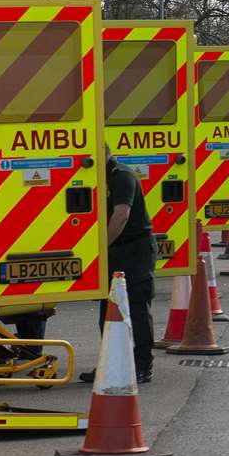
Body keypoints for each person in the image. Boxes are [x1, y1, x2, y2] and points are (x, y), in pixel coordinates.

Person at [79, 152, 158, 384]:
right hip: (117, 250)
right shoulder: (98, 177)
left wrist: (101, 248)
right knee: (109, 311)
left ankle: (143, 367)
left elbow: (121, 215)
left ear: (104, 153)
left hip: (135, 250)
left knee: (137, 309)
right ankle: (109, 366)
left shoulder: (121, 176)